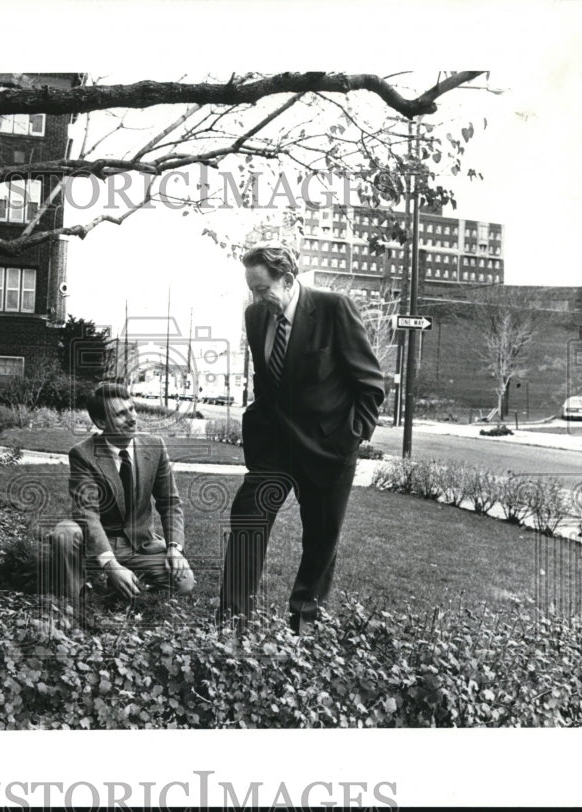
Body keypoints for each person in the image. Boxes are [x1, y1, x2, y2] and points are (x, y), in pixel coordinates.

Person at [219, 244, 385, 633]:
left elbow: (370, 384)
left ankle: (303, 630)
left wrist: (349, 438)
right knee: (247, 523)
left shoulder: (334, 308)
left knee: (320, 545)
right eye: (252, 290)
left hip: (329, 450)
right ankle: (232, 626)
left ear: (289, 280)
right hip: (274, 449)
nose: (257, 299)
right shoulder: (255, 316)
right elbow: (268, 380)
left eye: (263, 289)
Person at [48, 381, 195, 607]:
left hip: (142, 543)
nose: (132, 418)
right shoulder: (83, 454)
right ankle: (75, 602)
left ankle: (117, 586)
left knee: (184, 583)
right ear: (101, 422)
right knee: (65, 532)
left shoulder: (154, 446)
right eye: (120, 414)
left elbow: (170, 503)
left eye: (132, 409)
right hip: (100, 543)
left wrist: (175, 548)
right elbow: (87, 514)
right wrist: (112, 565)